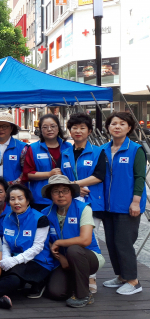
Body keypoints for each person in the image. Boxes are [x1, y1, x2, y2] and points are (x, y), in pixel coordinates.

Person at [101, 112, 147, 295]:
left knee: (124, 242)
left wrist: (136, 202)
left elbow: (139, 178)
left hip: (128, 206)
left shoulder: (136, 150)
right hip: (107, 206)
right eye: (113, 123)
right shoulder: (103, 149)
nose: (117, 126)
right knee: (111, 242)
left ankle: (134, 281)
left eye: (122, 123)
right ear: (108, 127)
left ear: (129, 128)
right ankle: (121, 276)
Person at [41, 175, 104, 307]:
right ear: (50, 195)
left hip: (87, 256)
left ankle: (83, 295)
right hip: (61, 260)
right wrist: (60, 259)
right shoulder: (45, 213)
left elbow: (85, 240)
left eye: (65, 190)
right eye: (56, 191)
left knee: (74, 249)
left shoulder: (83, 209)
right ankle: (75, 283)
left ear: (72, 193)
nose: (61, 195)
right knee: (56, 293)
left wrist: (59, 243)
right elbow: (44, 241)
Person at [61, 113, 106, 294]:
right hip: (70, 202)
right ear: (70, 130)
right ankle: (78, 273)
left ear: (89, 131)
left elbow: (99, 176)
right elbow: (61, 177)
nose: (78, 131)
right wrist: (73, 189)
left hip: (91, 202)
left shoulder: (98, 151)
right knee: (73, 236)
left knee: (89, 239)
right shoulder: (65, 153)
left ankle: (91, 276)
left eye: (82, 128)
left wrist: (75, 185)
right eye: (74, 128)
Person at [0, 184, 55, 298]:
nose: (16, 202)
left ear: (28, 200)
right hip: (16, 259)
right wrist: (6, 258)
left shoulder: (40, 219)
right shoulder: (7, 218)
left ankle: (40, 281)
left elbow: (38, 247)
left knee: (12, 277)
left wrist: (15, 260)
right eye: (12, 199)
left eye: (20, 198)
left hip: (38, 261)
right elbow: (5, 243)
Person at [23, 114, 72, 211]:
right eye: (45, 127)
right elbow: (27, 174)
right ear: (40, 130)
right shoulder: (33, 148)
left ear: (58, 128)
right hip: (41, 199)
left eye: (53, 126)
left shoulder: (68, 147)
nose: (49, 129)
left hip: (65, 198)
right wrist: (49, 174)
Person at [0, 112, 26, 184]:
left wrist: (12, 185)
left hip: (14, 190)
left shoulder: (22, 148)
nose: (0, 129)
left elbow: (26, 171)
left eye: (5, 126)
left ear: (12, 128)